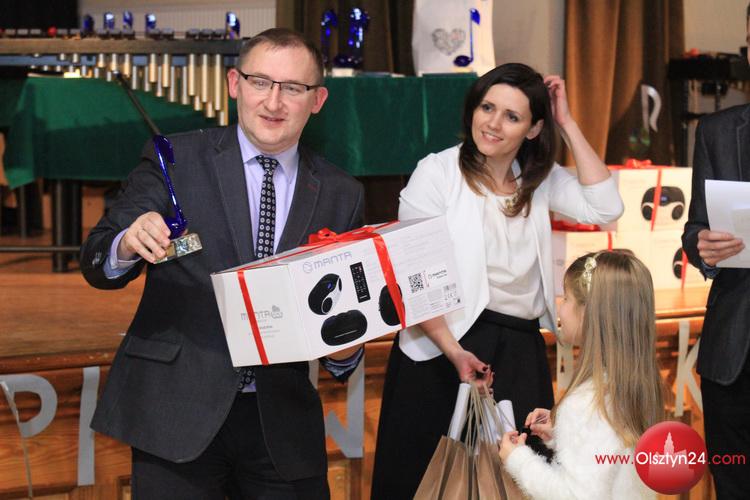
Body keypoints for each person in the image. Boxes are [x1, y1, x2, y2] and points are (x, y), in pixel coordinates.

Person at [80, 28, 365, 499]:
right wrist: (127, 242)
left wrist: (344, 350)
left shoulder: (341, 193)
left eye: (293, 88)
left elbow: (343, 322)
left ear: (317, 100)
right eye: (260, 82)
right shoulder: (176, 159)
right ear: (234, 83)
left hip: (281, 424)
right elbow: (97, 258)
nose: (273, 101)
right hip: (177, 411)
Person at [371, 62, 624, 499]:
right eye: (487, 107)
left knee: (517, 483)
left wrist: (566, 123)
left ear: (533, 128)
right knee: (423, 481)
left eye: (512, 116)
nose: (493, 123)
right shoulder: (438, 172)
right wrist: (454, 352)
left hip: (520, 351)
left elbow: (606, 206)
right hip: (442, 345)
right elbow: (413, 277)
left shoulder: (538, 178)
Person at [498, 251, 662, 499]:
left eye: (566, 298)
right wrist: (563, 433)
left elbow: (575, 495)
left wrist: (518, 459)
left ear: (587, 312)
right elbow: (607, 459)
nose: (560, 308)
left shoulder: (587, 403)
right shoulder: (635, 386)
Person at [681, 6, 750, 497]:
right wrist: (702, 247)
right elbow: (696, 226)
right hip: (734, 352)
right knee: (733, 483)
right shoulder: (718, 131)